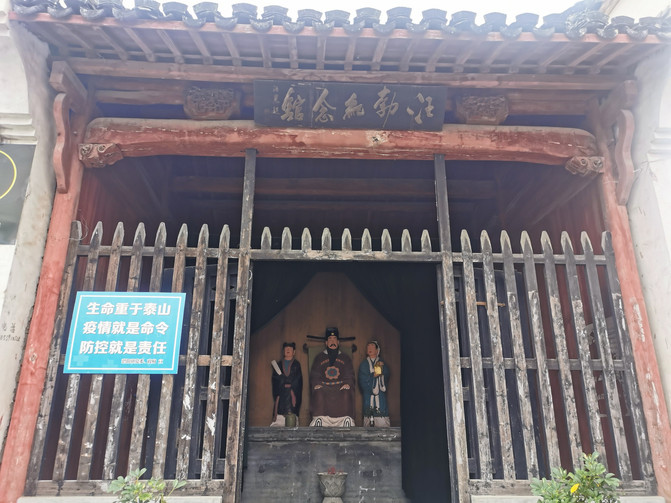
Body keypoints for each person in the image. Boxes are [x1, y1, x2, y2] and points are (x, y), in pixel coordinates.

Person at [309, 327, 355, 427]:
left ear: (338, 342)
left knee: (346, 392)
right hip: (324, 387)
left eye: (334, 339)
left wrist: (347, 383)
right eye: (330, 339)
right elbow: (315, 375)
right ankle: (320, 418)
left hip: (340, 387)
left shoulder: (345, 358)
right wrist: (317, 384)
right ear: (326, 343)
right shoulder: (319, 358)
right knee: (318, 392)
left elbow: (349, 374)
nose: (332, 342)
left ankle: (344, 419)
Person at [270, 342, 303, 427]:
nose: (288, 350)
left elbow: (298, 381)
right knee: (279, 419)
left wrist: (288, 382)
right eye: (286, 348)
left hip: (292, 395)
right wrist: (281, 380)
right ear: (283, 351)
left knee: (292, 419)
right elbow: (275, 381)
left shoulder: (296, 365)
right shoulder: (278, 365)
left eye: (290, 348)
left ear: (294, 352)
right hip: (281, 396)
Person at [358, 340, 390, 427]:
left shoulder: (382, 363)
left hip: (380, 396)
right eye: (368, 347)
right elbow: (362, 380)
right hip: (368, 396)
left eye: (372, 346)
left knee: (382, 424)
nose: (370, 348)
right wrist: (374, 375)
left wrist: (379, 371)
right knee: (368, 423)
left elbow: (386, 376)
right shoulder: (364, 364)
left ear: (377, 350)